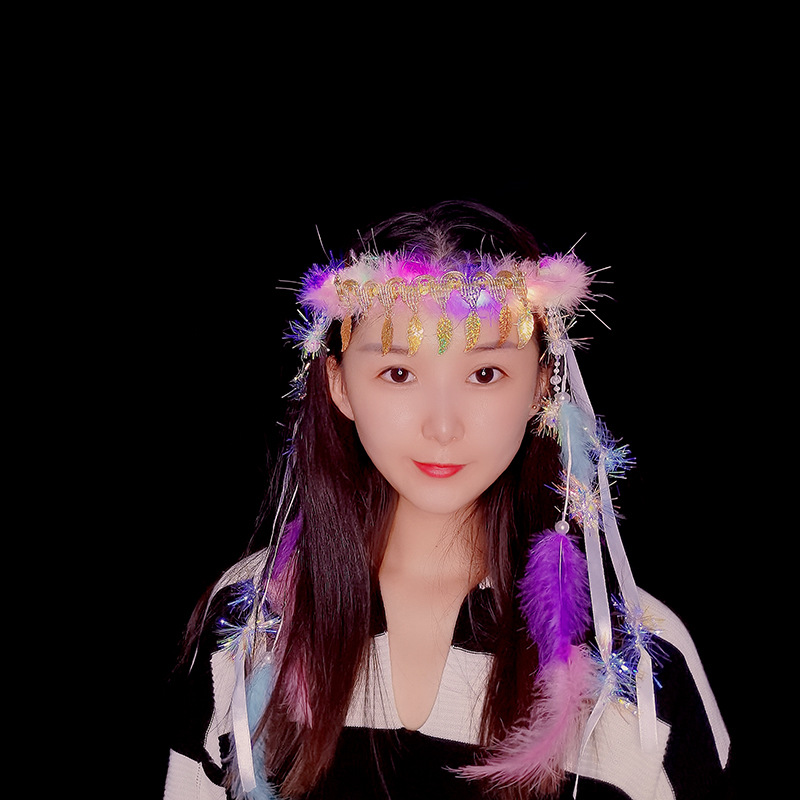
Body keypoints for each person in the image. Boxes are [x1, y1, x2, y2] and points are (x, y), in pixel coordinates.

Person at [163, 201, 732, 799]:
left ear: (542, 387)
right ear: (339, 385)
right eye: (398, 374)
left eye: (485, 374)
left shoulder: (636, 655)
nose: (441, 427)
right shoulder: (251, 621)